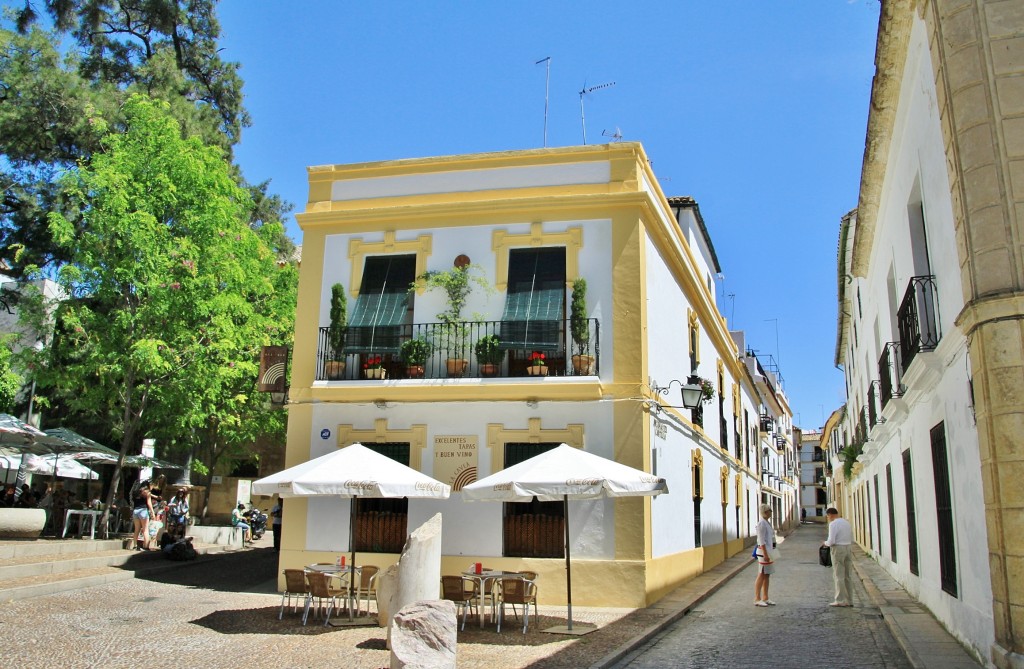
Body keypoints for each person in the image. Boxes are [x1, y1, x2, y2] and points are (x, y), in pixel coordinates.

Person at [822, 507, 855, 607]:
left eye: (828, 516)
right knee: (848, 576)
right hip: (848, 548)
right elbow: (852, 537)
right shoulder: (846, 522)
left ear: (830, 515)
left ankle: (840, 600)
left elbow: (831, 541)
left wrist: (825, 543)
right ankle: (850, 600)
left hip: (838, 549)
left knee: (838, 575)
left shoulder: (833, 524)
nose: (828, 518)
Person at [754, 503, 777, 607]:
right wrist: (765, 554)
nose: (771, 512)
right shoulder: (761, 524)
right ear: (766, 512)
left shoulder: (767, 523)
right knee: (761, 574)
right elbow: (761, 540)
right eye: (770, 510)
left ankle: (765, 597)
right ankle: (757, 598)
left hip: (769, 551)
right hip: (764, 552)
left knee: (767, 575)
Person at [130, 480, 155, 551]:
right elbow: (149, 503)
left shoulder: (135, 493)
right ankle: (146, 546)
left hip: (135, 511)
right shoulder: (147, 493)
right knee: (145, 530)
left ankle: (134, 545)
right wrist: (152, 512)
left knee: (136, 529)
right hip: (143, 510)